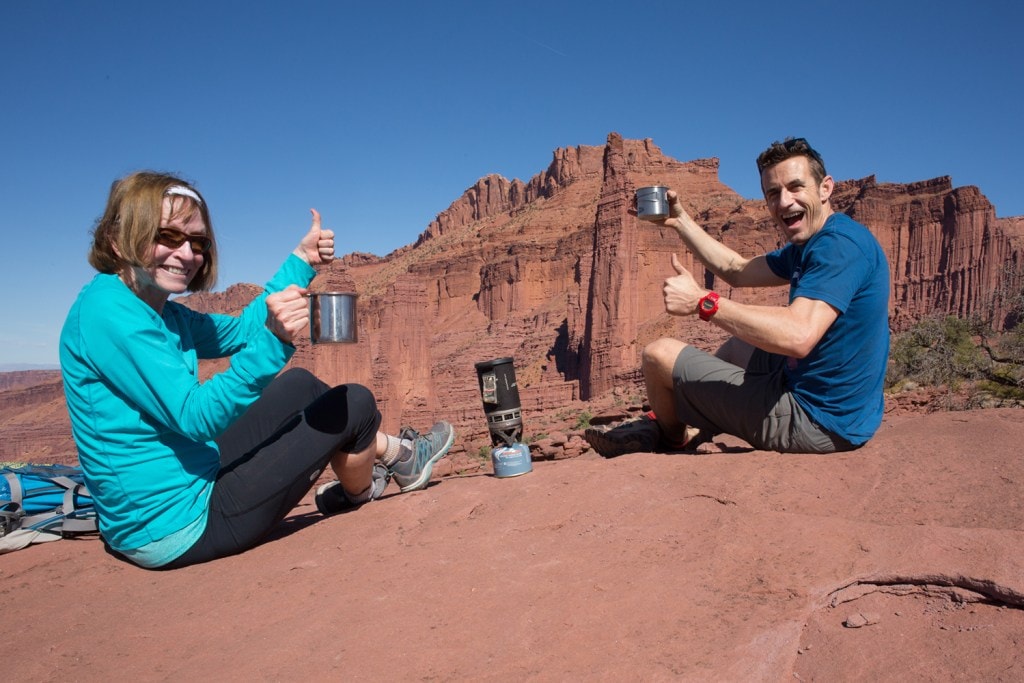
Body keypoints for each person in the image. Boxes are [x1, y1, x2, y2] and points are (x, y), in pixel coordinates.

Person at [60, 171, 456, 569]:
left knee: (302, 383)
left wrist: (302, 262)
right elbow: (195, 416)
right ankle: (361, 490)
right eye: (167, 236)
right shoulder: (110, 313)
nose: (186, 253)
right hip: (174, 526)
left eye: (197, 242)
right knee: (356, 403)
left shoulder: (156, 307)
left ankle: (391, 452)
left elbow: (243, 331)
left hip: (189, 479)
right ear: (118, 237)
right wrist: (276, 341)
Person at [585, 138, 890, 456]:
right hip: (826, 399)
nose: (784, 202)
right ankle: (693, 417)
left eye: (796, 187)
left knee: (657, 355)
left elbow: (799, 335)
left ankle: (672, 436)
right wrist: (680, 220)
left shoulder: (838, 246)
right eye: (773, 193)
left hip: (817, 421)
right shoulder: (813, 242)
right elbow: (737, 269)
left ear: (825, 188)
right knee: (739, 346)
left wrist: (703, 303)